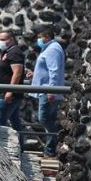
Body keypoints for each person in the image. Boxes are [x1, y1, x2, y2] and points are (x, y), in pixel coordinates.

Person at [26, 25, 65, 157]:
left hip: (47, 90)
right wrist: (35, 73)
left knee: (43, 118)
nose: (38, 40)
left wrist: (51, 90)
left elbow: (53, 71)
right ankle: (51, 148)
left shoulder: (52, 50)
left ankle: (51, 148)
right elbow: (47, 69)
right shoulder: (50, 48)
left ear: (47, 37)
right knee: (49, 119)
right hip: (47, 89)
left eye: (40, 38)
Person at [0, 31, 25, 148]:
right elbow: (2, 72)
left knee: (1, 121)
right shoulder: (7, 52)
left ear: (11, 39)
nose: (0, 42)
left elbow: (17, 73)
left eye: (3, 39)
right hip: (5, 92)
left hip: (9, 95)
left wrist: (10, 91)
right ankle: (20, 147)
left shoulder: (15, 52)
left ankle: (1, 148)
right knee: (15, 122)